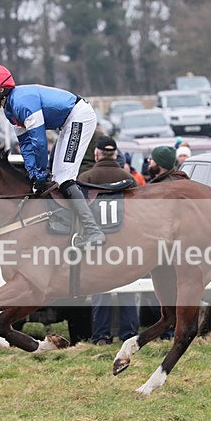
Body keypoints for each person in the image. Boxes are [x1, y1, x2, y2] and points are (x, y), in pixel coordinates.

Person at [0, 63, 106, 248]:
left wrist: (40, 174)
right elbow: (25, 144)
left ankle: (93, 231)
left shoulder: (21, 104)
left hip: (79, 116)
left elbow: (40, 143)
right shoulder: (10, 110)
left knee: (64, 177)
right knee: (57, 177)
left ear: (1, 89)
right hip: (68, 121)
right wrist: (34, 173)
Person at [77, 136, 139, 345]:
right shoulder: (128, 178)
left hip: (97, 242)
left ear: (97, 154)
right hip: (124, 241)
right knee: (127, 286)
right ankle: (129, 334)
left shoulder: (86, 178)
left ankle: (101, 335)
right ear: (115, 155)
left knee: (100, 288)